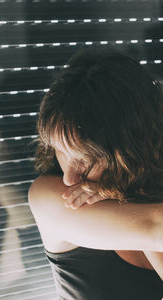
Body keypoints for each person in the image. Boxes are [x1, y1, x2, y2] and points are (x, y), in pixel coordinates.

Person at [28, 47, 163, 299]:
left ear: (131, 150)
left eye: (87, 161)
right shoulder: (48, 197)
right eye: (60, 151)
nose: (69, 178)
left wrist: (129, 191)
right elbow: (155, 229)